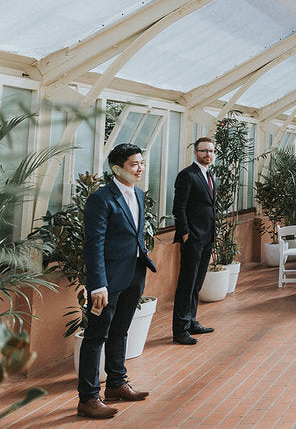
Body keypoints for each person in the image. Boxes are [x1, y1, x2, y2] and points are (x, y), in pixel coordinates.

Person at [76, 143, 158, 419]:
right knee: (96, 335)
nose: (140, 168)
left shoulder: (137, 193)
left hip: (134, 271)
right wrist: (97, 284)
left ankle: (116, 384)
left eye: (141, 163)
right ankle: (88, 398)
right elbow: (93, 244)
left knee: (121, 329)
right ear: (116, 168)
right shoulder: (101, 198)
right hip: (108, 279)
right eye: (134, 164)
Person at [171, 137, 217, 346]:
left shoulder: (208, 174)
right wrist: (185, 234)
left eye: (210, 151)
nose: (208, 154)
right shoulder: (187, 175)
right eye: (203, 151)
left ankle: (191, 322)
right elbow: (179, 207)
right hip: (193, 237)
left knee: (197, 282)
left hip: (207, 236)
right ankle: (180, 330)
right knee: (187, 283)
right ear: (195, 152)